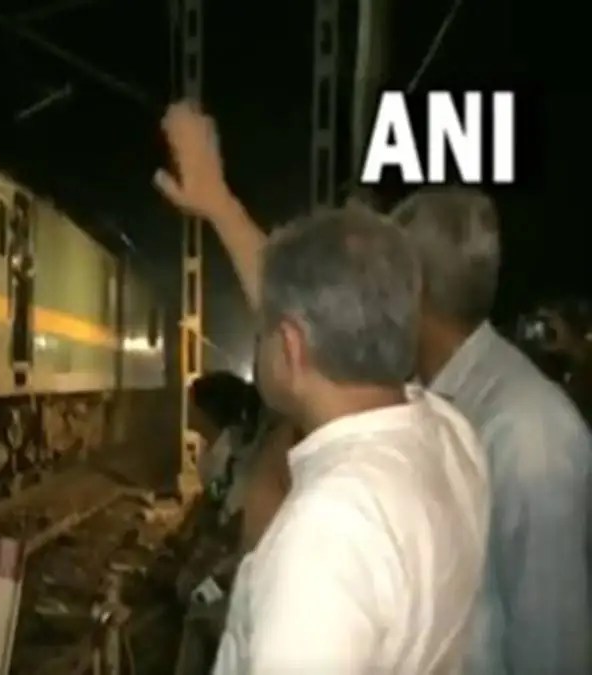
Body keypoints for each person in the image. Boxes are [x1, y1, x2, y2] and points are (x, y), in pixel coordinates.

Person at [155, 100, 490, 673]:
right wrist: (219, 204)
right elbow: (311, 303)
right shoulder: (449, 434)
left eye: (265, 329)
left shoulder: (326, 539)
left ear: (290, 348)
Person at [389, 189, 592, 674]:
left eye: (382, 279)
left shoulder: (528, 430)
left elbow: (551, 645)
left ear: (413, 289)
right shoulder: (427, 400)